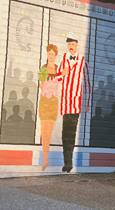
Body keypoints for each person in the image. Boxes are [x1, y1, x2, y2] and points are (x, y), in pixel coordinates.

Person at [58, 32, 90, 173]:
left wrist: (87, 103)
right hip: (65, 104)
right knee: (65, 134)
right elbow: (57, 78)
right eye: (69, 44)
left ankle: (70, 163)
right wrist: (62, 74)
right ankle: (67, 163)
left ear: (77, 45)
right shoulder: (64, 59)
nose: (71, 46)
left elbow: (88, 84)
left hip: (76, 104)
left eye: (73, 44)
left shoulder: (83, 61)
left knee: (72, 133)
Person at [38, 44, 61, 171]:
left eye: (52, 54)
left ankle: (45, 158)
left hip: (52, 101)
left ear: (55, 55)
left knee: (49, 131)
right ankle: (44, 158)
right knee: (43, 131)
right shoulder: (43, 68)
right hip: (44, 101)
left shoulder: (58, 69)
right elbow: (41, 84)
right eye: (49, 54)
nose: (50, 56)